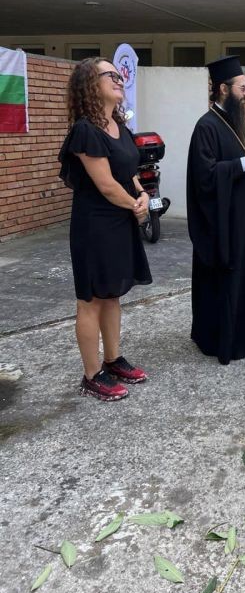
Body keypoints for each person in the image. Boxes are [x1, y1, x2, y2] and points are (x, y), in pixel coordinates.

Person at [58, 58, 151, 401]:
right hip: (95, 225)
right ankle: (91, 374)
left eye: (118, 74)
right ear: (89, 84)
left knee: (111, 294)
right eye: (109, 74)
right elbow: (107, 185)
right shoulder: (86, 130)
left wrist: (142, 194)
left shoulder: (118, 126)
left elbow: (128, 171)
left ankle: (113, 360)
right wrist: (135, 205)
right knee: (91, 300)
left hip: (119, 220)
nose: (118, 78)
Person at [186, 55, 245, 364]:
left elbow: (239, 166)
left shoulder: (234, 121)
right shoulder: (206, 126)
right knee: (226, 279)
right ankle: (223, 340)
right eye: (242, 87)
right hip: (223, 223)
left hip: (243, 219)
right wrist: (243, 162)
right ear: (224, 88)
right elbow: (205, 177)